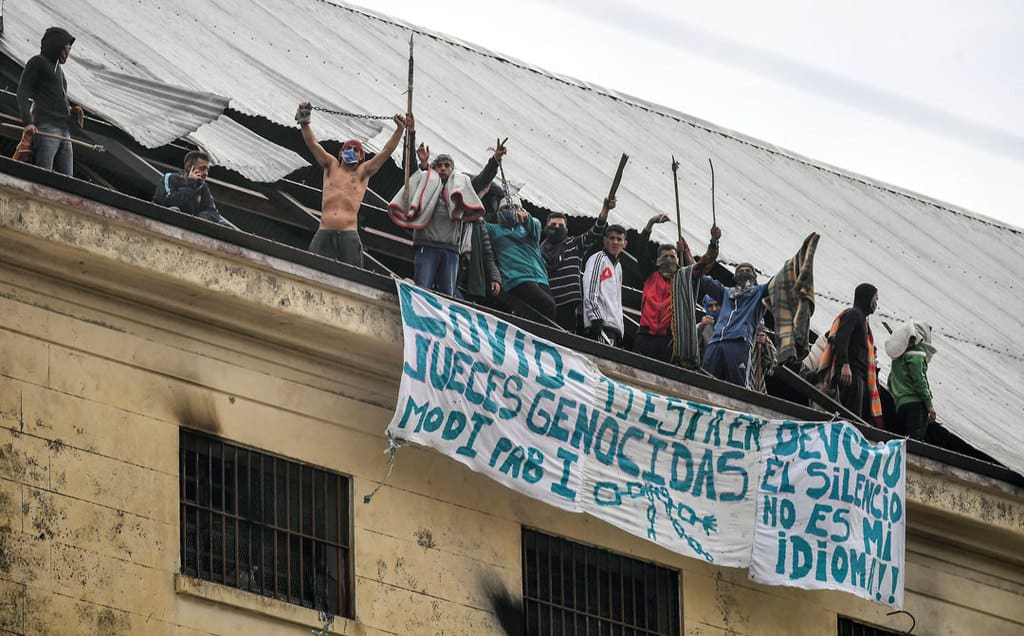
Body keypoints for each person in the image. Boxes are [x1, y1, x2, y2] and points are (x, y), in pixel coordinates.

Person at [297, 102, 407, 267]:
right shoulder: (331, 166)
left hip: (348, 232)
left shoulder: (363, 172)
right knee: (312, 268)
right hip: (325, 229)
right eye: (349, 148)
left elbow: (386, 152)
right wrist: (304, 118)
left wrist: (399, 130)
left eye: (356, 149)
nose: (352, 151)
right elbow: (312, 143)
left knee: (354, 274)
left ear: (361, 156)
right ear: (341, 152)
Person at [389, 149, 500, 295]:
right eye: (439, 165)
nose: (443, 168)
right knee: (422, 290)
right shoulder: (423, 184)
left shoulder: (461, 188)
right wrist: (411, 134)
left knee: (448, 296)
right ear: (433, 168)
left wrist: (495, 159)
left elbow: (483, 179)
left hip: (451, 250)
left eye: (447, 165)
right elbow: (410, 171)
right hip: (427, 246)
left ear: (452, 170)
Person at [633, 224, 721, 363]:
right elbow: (640, 249)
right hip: (645, 336)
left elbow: (705, 263)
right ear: (658, 260)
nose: (669, 260)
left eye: (672, 257)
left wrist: (713, 241)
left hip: (669, 341)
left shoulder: (684, 278)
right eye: (665, 257)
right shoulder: (650, 274)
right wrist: (650, 224)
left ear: (678, 260)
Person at [540, 197, 614, 332]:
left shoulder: (574, 244)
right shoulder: (539, 251)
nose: (557, 228)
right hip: (546, 305)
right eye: (553, 225)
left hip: (567, 306)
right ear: (546, 228)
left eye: (561, 226)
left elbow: (594, 232)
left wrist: (605, 211)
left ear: (566, 229)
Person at [816, 283, 883, 425]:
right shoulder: (853, 315)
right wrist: (844, 364)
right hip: (851, 373)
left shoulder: (863, 322)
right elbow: (841, 339)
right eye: (874, 299)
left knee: (854, 415)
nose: (875, 303)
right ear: (866, 298)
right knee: (849, 418)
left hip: (858, 375)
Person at [17, 27, 79, 175]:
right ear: (56, 46)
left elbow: (56, 99)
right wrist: (28, 122)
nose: (67, 54)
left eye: (68, 50)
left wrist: (71, 112)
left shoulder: (60, 71)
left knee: (67, 177)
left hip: (63, 130)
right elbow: (22, 92)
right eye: (65, 49)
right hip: (47, 128)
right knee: (44, 173)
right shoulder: (38, 62)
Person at [697, 262, 770, 387]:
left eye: (748, 271)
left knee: (738, 386)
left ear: (754, 277)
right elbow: (703, 279)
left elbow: (777, 282)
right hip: (716, 342)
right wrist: (687, 254)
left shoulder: (758, 293)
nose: (744, 273)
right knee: (704, 382)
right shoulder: (726, 293)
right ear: (735, 277)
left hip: (738, 342)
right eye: (741, 271)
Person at [485, 195, 556, 321]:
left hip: (541, 279)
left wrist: (526, 218)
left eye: (515, 207)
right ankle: (546, 338)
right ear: (499, 212)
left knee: (541, 312)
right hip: (518, 279)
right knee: (548, 306)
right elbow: (478, 221)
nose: (511, 211)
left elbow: (535, 225)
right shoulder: (494, 230)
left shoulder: (531, 227)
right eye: (506, 208)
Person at [885, 321, 937, 440]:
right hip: (916, 405)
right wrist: (929, 406)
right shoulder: (916, 354)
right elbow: (920, 381)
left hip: (900, 405)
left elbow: (890, 382)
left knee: (902, 442)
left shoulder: (898, 356)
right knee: (915, 444)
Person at [152, 151, 232, 227]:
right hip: (162, 222)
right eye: (202, 168)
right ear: (188, 167)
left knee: (224, 224)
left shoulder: (203, 187)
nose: (206, 173)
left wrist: (199, 218)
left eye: (207, 170)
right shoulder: (170, 177)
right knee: (174, 210)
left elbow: (213, 213)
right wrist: (190, 184)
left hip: (190, 226)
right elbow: (167, 201)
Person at [582, 225, 629, 345]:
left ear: (625, 244)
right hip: (600, 326)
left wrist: (621, 329)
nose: (615, 242)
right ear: (605, 240)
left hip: (614, 329)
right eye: (612, 238)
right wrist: (596, 318)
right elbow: (590, 290)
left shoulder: (618, 267)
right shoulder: (598, 259)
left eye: (619, 239)